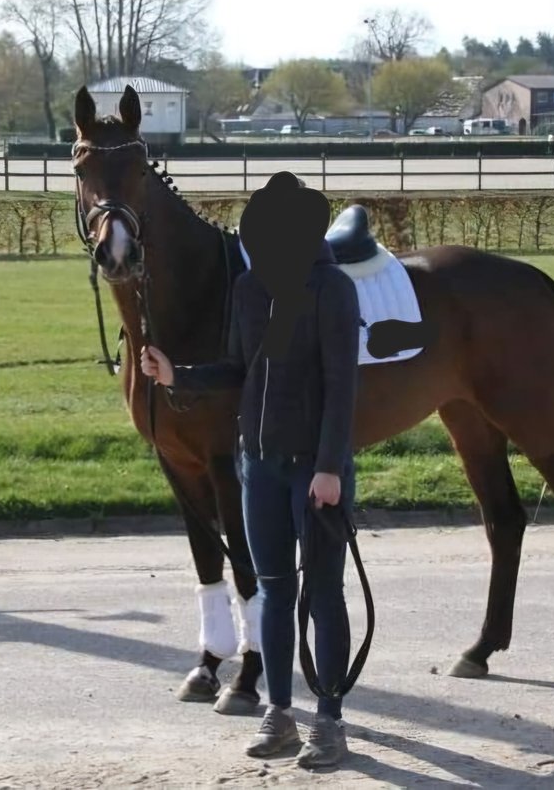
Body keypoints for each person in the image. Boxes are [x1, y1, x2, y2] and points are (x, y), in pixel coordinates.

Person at [140, 172, 361, 769]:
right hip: (257, 468)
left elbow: (343, 386)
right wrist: (176, 376)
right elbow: (239, 370)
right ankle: (281, 713)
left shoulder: (333, 290)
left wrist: (330, 468)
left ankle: (330, 720)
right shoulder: (248, 290)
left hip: (314, 473)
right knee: (273, 593)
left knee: (323, 596)